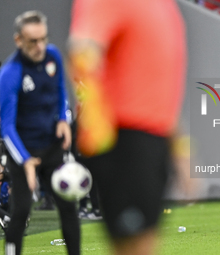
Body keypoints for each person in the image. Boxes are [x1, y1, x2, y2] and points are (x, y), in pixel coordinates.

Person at [67, 0, 186, 255]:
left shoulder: (165, 5)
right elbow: (81, 52)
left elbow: (162, 84)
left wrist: (180, 148)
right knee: (134, 246)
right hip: (124, 137)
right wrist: (96, 122)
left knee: (144, 243)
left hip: (154, 137)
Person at [0, 11, 80, 255]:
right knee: (21, 210)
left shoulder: (53, 55)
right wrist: (25, 161)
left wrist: (64, 119)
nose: (40, 46)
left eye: (43, 39)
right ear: (19, 41)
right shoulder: (10, 74)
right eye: (33, 41)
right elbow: (7, 127)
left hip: (51, 147)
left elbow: (60, 92)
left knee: (68, 207)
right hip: (24, 150)